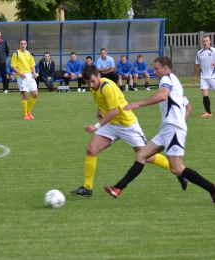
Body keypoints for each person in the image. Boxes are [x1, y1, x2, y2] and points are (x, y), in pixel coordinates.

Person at [104, 56, 215, 205]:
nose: (154, 71)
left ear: (165, 69)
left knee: (177, 168)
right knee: (142, 154)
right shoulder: (175, 82)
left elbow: (163, 95)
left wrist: (138, 103)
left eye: (156, 69)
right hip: (168, 129)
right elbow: (188, 108)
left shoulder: (166, 78)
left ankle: (212, 189)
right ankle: (118, 188)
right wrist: (180, 123)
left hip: (173, 128)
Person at [70, 64, 188, 197]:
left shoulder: (107, 86)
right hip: (112, 124)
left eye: (92, 81)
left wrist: (96, 126)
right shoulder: (94, 86)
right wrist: (100, 110)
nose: (91, 85)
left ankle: (181, 173)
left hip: (126, 124)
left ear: (99, 76)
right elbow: (100, 99)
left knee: (147, 157)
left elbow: (114, 111)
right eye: (88, 83)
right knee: (91, 149)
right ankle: (87, 188)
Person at [11, 38, 38, 120]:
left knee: (35, 94)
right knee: (25, 95)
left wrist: (34, 73)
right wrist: (20, 73)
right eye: (21, 44)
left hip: (30, 75)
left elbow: (32, 65)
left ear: (26, 45)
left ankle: (28, 110)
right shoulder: (16, 53)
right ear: (19, 45)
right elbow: (13, 66)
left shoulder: (29, 53)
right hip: (21, 76)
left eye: (24, 44)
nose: (23, 45)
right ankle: (25, 115)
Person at [193, 35, 215, 117]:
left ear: (210, 42)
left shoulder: (214, 51)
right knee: (204, 93)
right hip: (203, 77)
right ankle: (208, 112)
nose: (205, 43)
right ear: (202, 42)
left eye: (207, 41)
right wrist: (194, 76)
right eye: (204, 41)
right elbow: (197, 65)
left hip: (213, 76)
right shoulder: (199, 53)